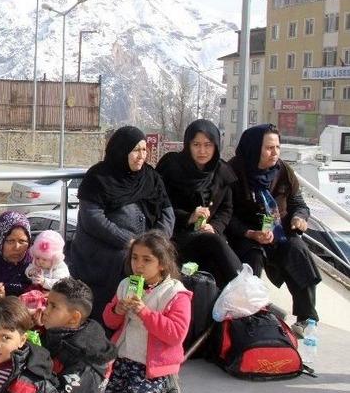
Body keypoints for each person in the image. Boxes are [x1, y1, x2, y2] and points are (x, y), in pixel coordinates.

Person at [69, 126, 175, 323]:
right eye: (135, 150)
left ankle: (157, 320)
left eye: (144, 150)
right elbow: (93, 219)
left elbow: (167, 211)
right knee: (127, 261)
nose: (141, 156)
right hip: (104, 249)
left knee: (164, 265)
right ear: (121, 150)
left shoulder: (150, 177)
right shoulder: (99, 177)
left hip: (145, 246)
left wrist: (157, 241)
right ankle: (115, 321)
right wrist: (130, 241)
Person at [225, 124, 321, 334]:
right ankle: (250, 313)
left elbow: (298, 204)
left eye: (277, 147)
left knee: (297, 249)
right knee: (253, 256)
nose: (275, 152)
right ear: (253, 149)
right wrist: (250, 233)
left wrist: (298, 218)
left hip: (279, 232)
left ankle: (307, 317)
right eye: (269, 148)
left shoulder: (284, 171)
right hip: (245, 234)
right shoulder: (233, 173)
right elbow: (226, 215)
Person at [101, 231, 192, 393]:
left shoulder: (175, 294)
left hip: (151, 369)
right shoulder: (126, 284)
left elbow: (176, 334)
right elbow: (110, 322)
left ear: (162, 264)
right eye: (135, 258)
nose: (138, 265)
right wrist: (116, 310)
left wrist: (144, 312)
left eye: (147, 260)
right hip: (122, 359)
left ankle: (165, 390)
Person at [156, 119, 242, 287]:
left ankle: (232, 301)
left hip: (208, 233)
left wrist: (215, 227)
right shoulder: (171, 167)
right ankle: (244, 288)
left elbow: (226, 208)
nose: (202, 151)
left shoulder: (221, 171)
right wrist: (189, 217)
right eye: (196, 144)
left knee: (217, 244)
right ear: (188, 145)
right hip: (177, 235)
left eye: (208, 145)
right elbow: (159, 205)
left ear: (216, 145)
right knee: (214, 242)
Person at [40, 278, 116, 393]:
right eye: (47, 304)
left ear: (74, 318)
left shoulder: (87, 355)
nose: (45, 310)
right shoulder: (55, 333)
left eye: (53, 306)